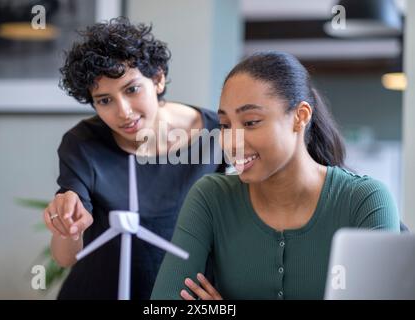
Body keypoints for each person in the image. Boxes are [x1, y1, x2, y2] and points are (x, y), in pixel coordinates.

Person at [151, 51, 400, 300]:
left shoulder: (366, 201)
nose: (231, 142)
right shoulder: (211, 197)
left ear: (300, 116)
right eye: (225, 125)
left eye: (251, 122)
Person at [42, 17, 224, 299]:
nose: (123, 111)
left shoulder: (218, 134)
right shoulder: (83, 144)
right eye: (104, 100)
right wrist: (68, 225)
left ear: (158, 78)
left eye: (131, 89)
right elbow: (66, 258)